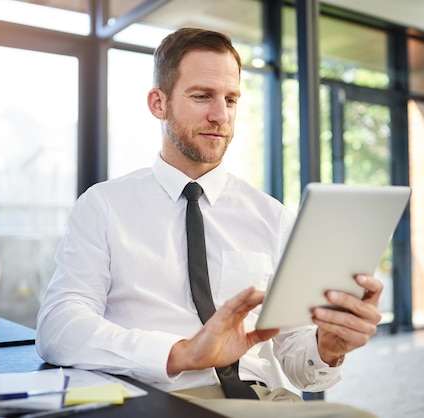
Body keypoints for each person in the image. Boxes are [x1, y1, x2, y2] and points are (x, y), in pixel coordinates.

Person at [36, 27, 382, 418]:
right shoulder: (103, 206)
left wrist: (328, 347)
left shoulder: (272, 216)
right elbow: (59, 327)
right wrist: (180, 353)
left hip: (263, 403)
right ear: (158, 103)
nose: (220, 116)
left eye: (230, 99)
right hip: (158, 399)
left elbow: (296, 362)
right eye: (202, 96)